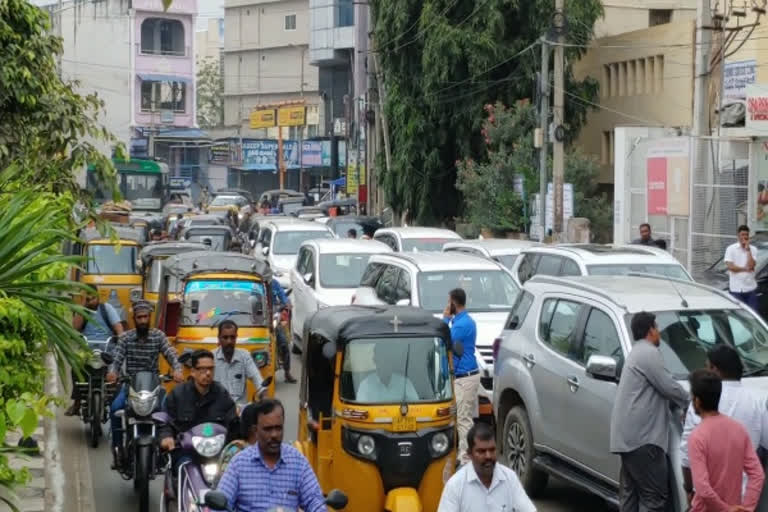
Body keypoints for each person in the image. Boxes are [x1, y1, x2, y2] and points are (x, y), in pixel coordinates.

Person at [610, 311, 689, 512]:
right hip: (644, 441)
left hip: (628, 439)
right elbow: (668, 386)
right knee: (653, 497)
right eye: (657, 328)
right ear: (650, 330)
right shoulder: (649, 353)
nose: (659, 333)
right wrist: (693, 401)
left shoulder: (636, 353)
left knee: (631, 495)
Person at [680, 344, 768, 503]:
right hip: (742, 496)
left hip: (707, 499)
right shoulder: (757, 402)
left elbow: (686, 457)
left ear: (714, 369)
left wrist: (689, 489)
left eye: (706, 367)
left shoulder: (700, 402)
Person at [106, 300, 184, 468]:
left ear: (150, 318)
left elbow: (171, 354)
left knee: (169, 412)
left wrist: (177, 369)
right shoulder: (126, 338)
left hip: (154, 386)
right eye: (139, 317)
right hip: (131, 386)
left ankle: (167, 449)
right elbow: (117, 359)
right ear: (134, 318)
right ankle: (118, 449)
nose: (143, 320)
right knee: (114, 409)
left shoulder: (158, 336)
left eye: (145, 317)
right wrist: (113, 372)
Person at [216, 399, 327, 512]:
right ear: (255, 430)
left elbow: (315, 501)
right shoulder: (239, 464)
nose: (274, 435)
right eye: (267, 429)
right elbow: (220, 504)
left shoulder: (298, 462)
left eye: (278, 428)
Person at [159, 350, 238, 463]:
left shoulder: (222, 394)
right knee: (183, 465)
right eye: (202, 369)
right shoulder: (178, 394)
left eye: (211, 368)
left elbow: (233, 423)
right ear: (193, 372)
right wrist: (166, 437)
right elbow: (165, 421)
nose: (208, 373)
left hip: (216, 453)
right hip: (186, 453)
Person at [438, 423, 536, 512]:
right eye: (481, 451)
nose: (488, 456)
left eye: (492, 450)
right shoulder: (455, 486)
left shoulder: (510, 478)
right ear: (469, 454)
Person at [66, 292, 124, 416]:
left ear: (97, 297)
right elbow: (75, 328)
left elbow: (119, 328)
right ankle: (77, 403)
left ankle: (115, 403)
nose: (90, 301)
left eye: (92, 298)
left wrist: (121, 338)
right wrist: (82, 307)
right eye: (87, 299)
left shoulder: (106, 309)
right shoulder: (83, 311)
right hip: (87, 351)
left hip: (106, 350)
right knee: (76, 370)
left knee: (117, 373)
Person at [443, 288, 479, 466]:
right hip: (464, 376)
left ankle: (466, 457)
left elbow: (444, 341)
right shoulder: (465, 321)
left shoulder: (461, 325)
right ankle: (463, 452)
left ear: (453, 303)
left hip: (465, 377)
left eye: (448, 301)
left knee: (464, 418)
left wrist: (445, 318)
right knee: (461, 417)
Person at [213, 320, 265, 405]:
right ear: (219, 338)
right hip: (218, 412)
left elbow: (257, 379)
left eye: (232, 337)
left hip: (239, 412)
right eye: (225, 337)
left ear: (236, 337)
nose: (229, 341)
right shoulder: (211, 358)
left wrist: (264, 397)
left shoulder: (245, 356)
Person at [725, 225, 759, 310]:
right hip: (736, 289)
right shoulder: (731, 249)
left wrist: (748, 250)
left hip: (750, 288)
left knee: (753, 315)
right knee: (739, 316)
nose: (745, 237)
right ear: (738, 236)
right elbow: (731, 267)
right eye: (742, 234)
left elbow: (751, 265)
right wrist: (745, 269)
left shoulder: (753, 249)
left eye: (746, 235)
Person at [271, 278, 296, 383]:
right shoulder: (255, 283)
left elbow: (283, 296)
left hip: (274, 318)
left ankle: (287, 372)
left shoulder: (274, 283)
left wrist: (286, 304)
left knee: (284, 344)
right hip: (258, 318)